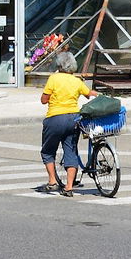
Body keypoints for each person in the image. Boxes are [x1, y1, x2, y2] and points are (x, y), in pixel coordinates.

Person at [36, 51, 98, 196]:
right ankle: (69, 187)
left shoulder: (54, 79)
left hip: (55, 118)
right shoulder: (77, 81)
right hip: (74, 119)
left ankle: (52, 181)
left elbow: (44, 100)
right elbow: (89, 94)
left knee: (47, 151)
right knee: (71, 150)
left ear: (59, 64)